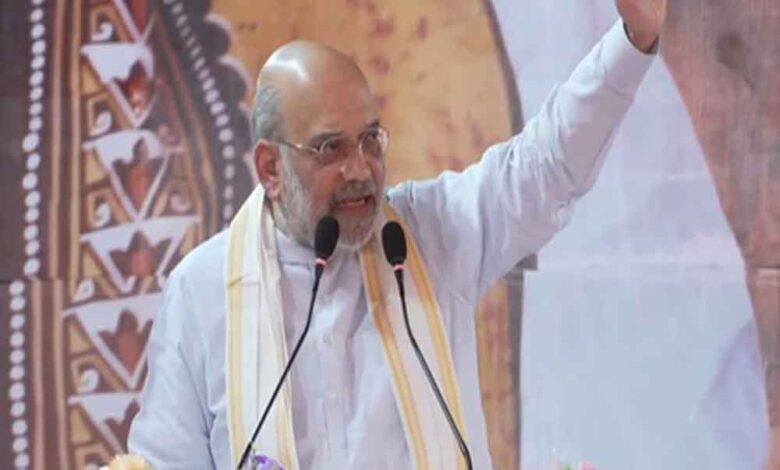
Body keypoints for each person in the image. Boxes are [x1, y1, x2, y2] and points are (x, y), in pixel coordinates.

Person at [128, 1, 666, 468]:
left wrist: (632, 41)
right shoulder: (202, 293)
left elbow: (543, 167)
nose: (361, 169)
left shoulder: (428, 238)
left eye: (370, 141)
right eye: (331, 149)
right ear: (270, 168)